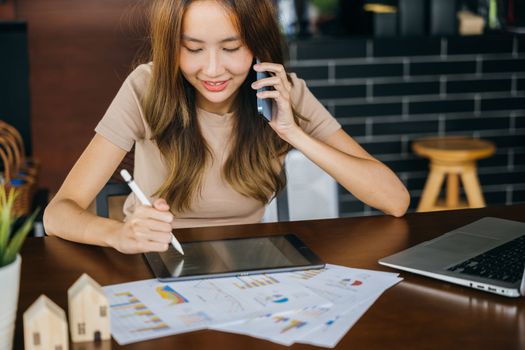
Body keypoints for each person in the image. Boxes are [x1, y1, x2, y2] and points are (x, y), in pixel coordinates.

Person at [43, 0, 410, 254]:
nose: (214, 70)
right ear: (172, 47)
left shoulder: (284, 91)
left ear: (257, 48)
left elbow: (394, 201)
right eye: (193, 48)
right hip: (157, 259)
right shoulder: (146, 87)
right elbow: (58, 213)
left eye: (232, 48)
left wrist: (293, 132)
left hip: (250, 263)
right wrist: (120, 235)